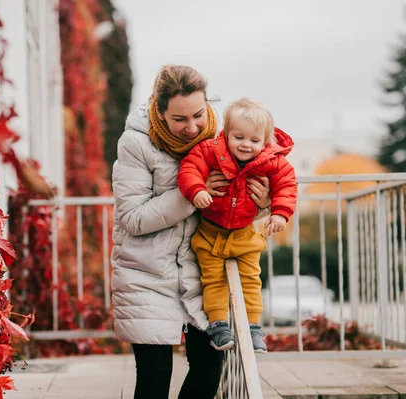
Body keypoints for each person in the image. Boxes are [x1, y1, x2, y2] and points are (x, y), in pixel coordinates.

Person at [111, 66, 271, 399]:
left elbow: (242, 199)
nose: (192, 127)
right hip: (147, 276)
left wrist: (265, 203)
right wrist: (192, 197)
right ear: (159, 111)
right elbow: (131, 217)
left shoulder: (224, 138)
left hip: (205, 274)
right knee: (154, 379)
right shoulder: (136, 142)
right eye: (179, 119)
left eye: (198, 115)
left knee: (208, 371)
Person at [177, 98, 297, 353]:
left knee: (251, 280)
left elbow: (286, 186)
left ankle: (253, 328)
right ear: (227, 133)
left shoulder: (272, 161)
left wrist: (280, 214)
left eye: (254, 141)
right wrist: (197, 189)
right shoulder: (210, 151)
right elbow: (189, 169)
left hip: (244, 234)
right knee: (213, 280)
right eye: (238, 137)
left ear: (265, 141)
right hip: (210, 232)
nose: (245, 145)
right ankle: (219, 326)